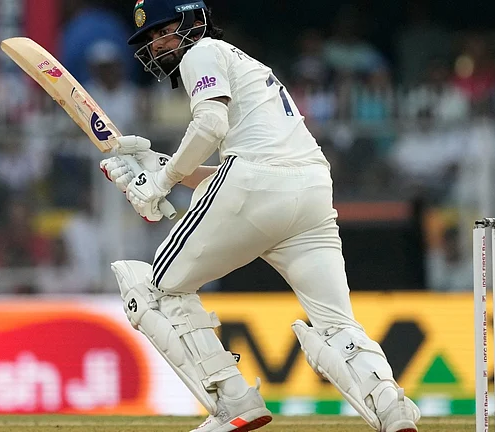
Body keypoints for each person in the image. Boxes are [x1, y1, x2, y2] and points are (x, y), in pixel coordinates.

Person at [98, 1, 421, 431]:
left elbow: (211, 130)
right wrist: (164, 166)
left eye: (163, 30)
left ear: (192, 21)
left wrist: (160, 183)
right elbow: (245, 160)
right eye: (151, 38)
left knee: (155, 290)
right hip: (310, 190)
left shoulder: (201, 52)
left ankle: (232, 402)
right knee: (335, 323)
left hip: (255, 184)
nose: (157, 44)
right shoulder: (244, 63)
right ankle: (392, 409)